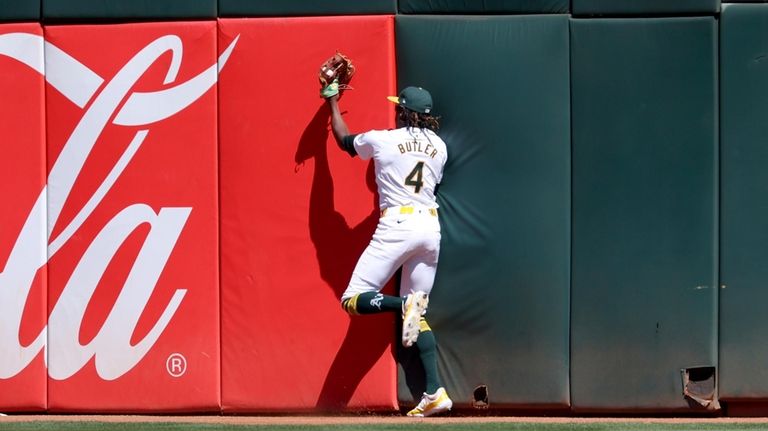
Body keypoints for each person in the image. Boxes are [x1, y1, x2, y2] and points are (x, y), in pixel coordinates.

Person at [323, 84, 452, 417]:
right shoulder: (440, 146)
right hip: (430, 229)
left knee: (352, 299)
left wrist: (333, 101)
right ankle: (435, 392)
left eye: (399, 107)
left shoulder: (384, 138)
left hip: (397, 226)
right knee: (418, 318)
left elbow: (343, 141)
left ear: (404, 112)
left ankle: (402, 303)